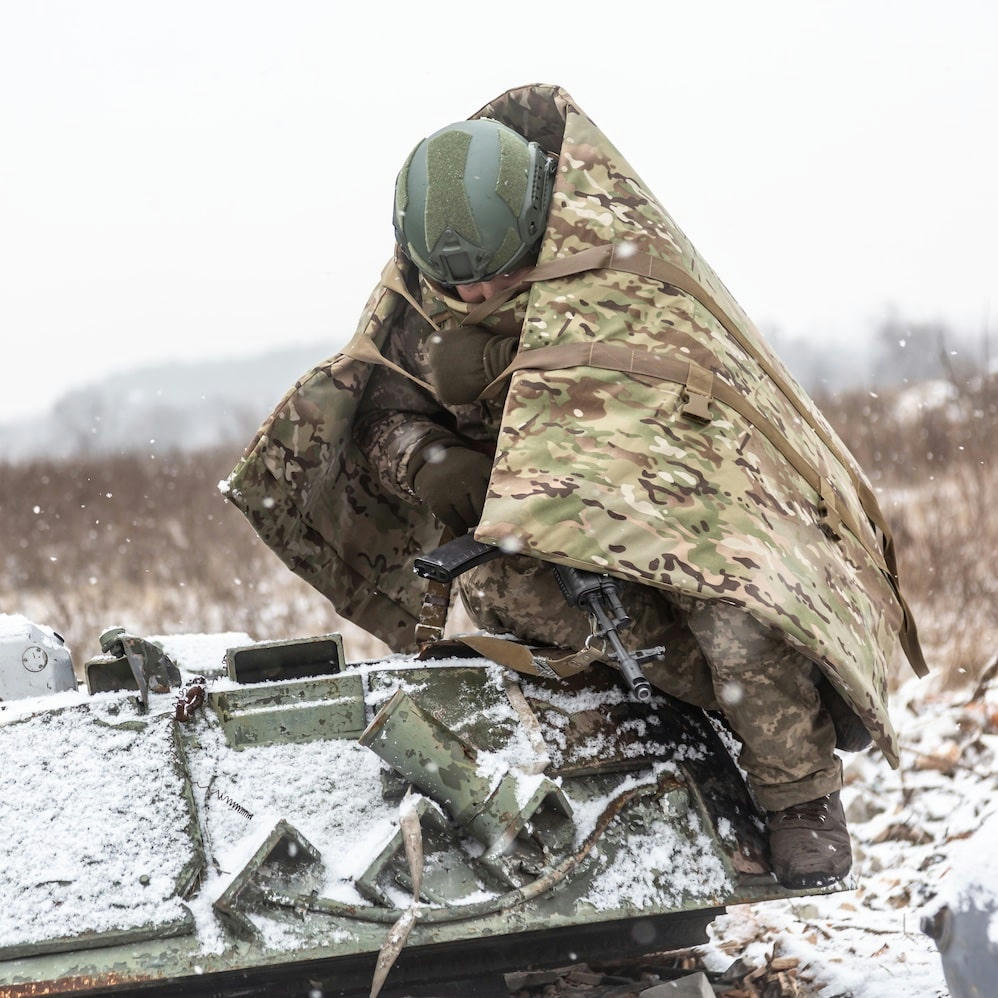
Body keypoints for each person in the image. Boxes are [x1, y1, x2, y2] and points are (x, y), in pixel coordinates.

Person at [226, 84, 927, 891]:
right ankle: (660, 753)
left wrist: (542, 411)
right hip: (524, 521)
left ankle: (798, 794)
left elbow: (686, 400)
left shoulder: (613, 254)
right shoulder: (418, 294)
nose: (476, 300)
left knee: (731, 610)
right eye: (461, 291)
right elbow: (372, 410)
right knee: (521, 610)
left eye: (496, 281)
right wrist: (426, 459)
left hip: (672, 503)